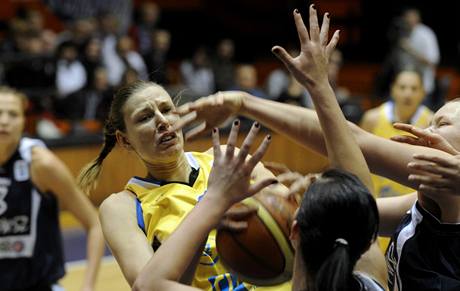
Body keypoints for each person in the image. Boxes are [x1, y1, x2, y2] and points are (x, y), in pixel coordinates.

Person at [174, 22, 460, 291]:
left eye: (442, 125)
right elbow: (352, 213)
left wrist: (254, 101)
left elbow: (354, 144)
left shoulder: (450, 198)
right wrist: (301, 196)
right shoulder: (419, 206)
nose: (425, 132)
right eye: (430, 123)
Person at [131, 6, 386, 291]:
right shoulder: (371, 277)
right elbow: (361, 197)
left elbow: (150, 285)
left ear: (294, 231)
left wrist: (212, 202)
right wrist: (320, 87)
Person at [77, 81, 292, 290]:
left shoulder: (229, 159)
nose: (162, 121)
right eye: (145, 117)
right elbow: (150, 288)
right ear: (124, 140)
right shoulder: (122, 208)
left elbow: (294, 219)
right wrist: (209, 212)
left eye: (167, 109)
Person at [0, 86, 104, 291]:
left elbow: (95, 224)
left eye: (13, 114)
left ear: (24, 122)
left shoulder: (41, 164)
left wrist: (88, 286)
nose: (4, 121)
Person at [361, 69, 433, 198]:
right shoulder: (372, 118)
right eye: (402, 87)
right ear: (393, 90)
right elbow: (358, 157)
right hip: (375, 198)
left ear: (423, 93)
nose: (408, 94)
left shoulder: (431, 123)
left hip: (412, 202)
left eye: (414, 88)